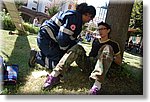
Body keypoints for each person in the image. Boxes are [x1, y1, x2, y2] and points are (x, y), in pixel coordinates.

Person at [42, 21, 122, 95]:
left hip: (100, 66)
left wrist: (110, 55)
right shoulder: (95, 41)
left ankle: (97, 86)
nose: (100, 31)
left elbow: (119, 62)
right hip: (88, 64)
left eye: (102, 29)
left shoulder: (113, 44)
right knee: (77, 47)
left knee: (107, 47)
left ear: (108, 30)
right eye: (98, 29)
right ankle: (54, 75)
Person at [28, 3, 96, 71]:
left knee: (62, 59)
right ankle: (37, 57)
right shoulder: (74, 19)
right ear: (88, 14)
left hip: (48, 38)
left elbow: (70, 39)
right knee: (59, 64)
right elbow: (62, 38)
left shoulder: (74, 16)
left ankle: (42, 55)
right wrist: (64, 52)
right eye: (91, 18)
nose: (89, 20)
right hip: (47, 40)